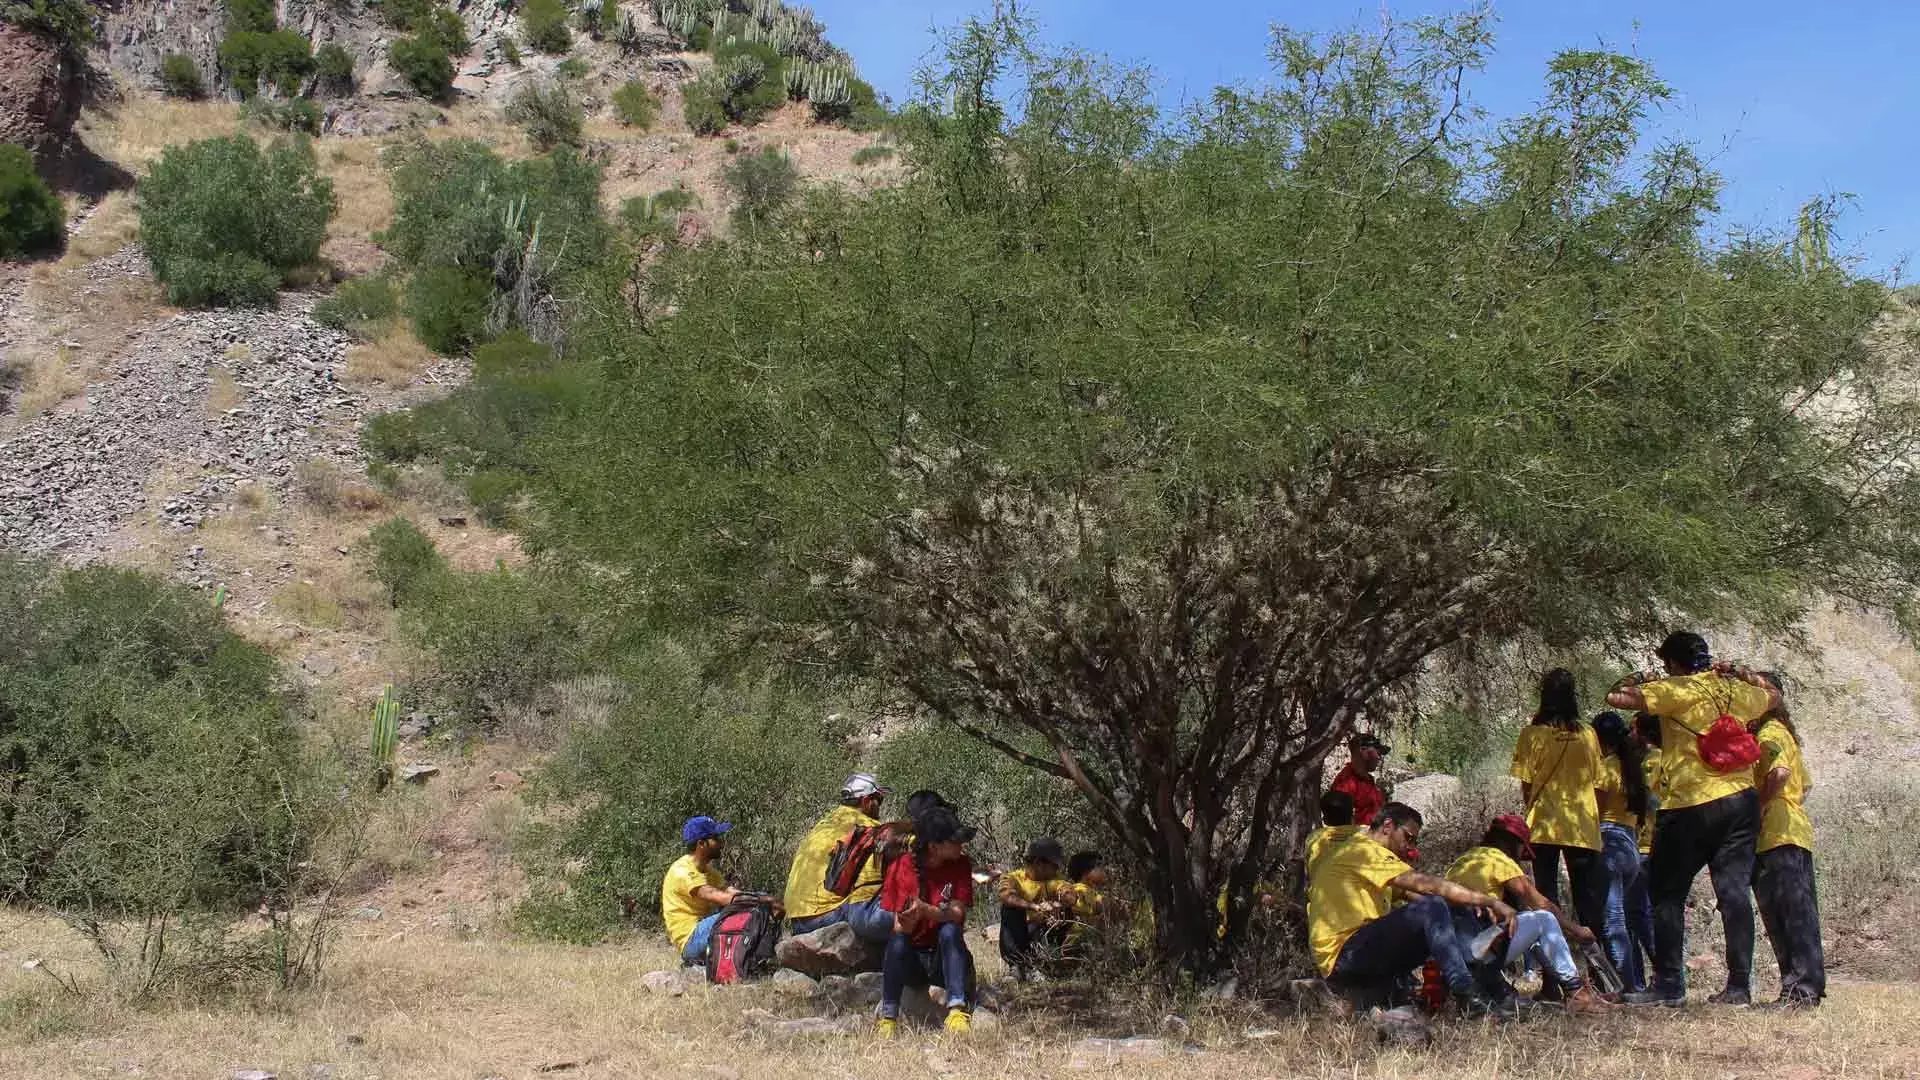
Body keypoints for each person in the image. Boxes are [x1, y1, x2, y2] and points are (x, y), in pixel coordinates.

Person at [1606, 631, 1779, 1007]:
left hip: (1690, 804)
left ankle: (1669, 983)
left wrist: (1640, 677)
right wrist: (1741, 671)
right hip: (1740, 800)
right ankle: (1738, 987)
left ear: (1673, 662)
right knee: (1734, 894)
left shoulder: (1676, 689)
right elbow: (1774, 696)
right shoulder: (1735, 690)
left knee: (1667, 894)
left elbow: (1615, 697)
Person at [1306, 801, 1517, 1016]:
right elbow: (1426, 886)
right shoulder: (1364, 851)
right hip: (1344, 957)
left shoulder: (1367, 860)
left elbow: (1421, 897)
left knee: (1448, 909)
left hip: (1361, 952)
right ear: (1388, 826)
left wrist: (1469, 905)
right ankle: (1466, 992)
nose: (1411, 848)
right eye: (1408, 837)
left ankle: (1492, 988)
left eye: (1415, 841)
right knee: (1433, 906)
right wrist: (1490, 901)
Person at [1444, 815, 1613, 1015]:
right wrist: (1576, 930)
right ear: (1512, 843)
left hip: (1452, 952)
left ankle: (1549, 989)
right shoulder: (1498, 859)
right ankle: (1576, 992)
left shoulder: (1465, 860)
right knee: (1543, 919)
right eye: (1521, 849)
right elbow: (1541, 903)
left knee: (1524, 921)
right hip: (1478, 949)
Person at [1509, 669, 1608, 936]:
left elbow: (1527, 785)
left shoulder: (1532, 734)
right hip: (1582, 827)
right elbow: (1600, 784)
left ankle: (1553, 974)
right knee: (1587, 901)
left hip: (1545, 825)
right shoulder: (1588, 734)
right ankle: (1598, 972)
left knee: (1545, 899)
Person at [1749, 673, 1825, 1008]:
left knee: (1793, 914)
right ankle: (1794, 987)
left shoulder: (1770, 733)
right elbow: (1804, 785)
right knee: (1782, 914)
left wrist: (1763, 806)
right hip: (1783, 831)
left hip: (1780, 833)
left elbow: (1780, 774)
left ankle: (1803, 989)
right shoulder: (1783, 734)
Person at [875, 805, 978, 1038]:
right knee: (897, 942)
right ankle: (889, 1018)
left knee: (950, 931)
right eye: (954, 841)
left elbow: (957, 914)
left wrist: (925, 910)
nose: (961, 846)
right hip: (916, 958)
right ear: (934, 846)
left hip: (944, 956)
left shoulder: (961, 864)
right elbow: (900, 928)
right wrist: (911, 918)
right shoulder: (901, 868)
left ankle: (956, 1010)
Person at [783, 773, 898, 941]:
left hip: (797, 922)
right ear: (866, 801)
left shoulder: (823, 825)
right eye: (878, 800)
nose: (879, 806)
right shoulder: (867, 828)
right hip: (827, 917)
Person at [1593, 711, 1653, 992]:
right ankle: (1638, 981)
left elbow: (1594, 809)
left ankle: (1624, 987)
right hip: (1630, 844)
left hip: (1609, 843)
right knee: (1630, 918)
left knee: (1613, 920)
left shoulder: (1607, 768)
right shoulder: (1633, 767)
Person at [661, 815, 742, 966]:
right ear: (701, 844)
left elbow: (732, 892)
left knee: (752, 906)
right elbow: (716, 895)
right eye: (715, 838)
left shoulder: (709, 871)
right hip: (691, 941)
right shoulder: (682, 871)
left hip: (702, 931)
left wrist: (764, 900)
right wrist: (755, 901)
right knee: (744, 911)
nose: (720, 843)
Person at [997, 837, 1069, 979]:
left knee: (1067, 912)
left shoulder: (1056, 880)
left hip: (1044, 935)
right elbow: (1006, 896)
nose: (1057, 869)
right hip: (1022, 934)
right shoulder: (1013, 878)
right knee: (1009, 910)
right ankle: (1016, 966)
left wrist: (1059, 905)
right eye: (1054, 865)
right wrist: (1035, 907)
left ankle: (1044, 965)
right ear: (1038, 863)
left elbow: (1070, 893)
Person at [1330, 733, 1390, 826]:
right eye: (1377, 752)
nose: (1379, 758)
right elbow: (1340, 825)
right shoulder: (1345, 783)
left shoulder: (1368, 780)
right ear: (1362, 750)